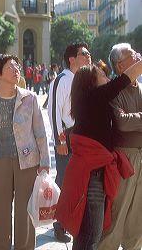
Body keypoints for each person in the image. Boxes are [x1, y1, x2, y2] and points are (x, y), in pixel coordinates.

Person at [55, 58, 142, 250]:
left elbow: (86, 127)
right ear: (91, 82)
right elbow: (124, 79)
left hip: (92, 171)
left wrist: (68, 134)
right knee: (91, 235)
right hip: (92, 175)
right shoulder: (95, 96)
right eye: (102, 75)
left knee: (87, 233)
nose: (107, 77)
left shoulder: (89, 100)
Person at [0, 54, 50, 250]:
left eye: (17, 66)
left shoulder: (29, 98)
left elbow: (40, 132)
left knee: (25, 212)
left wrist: (45, 161)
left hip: (28, 162)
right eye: (11, 67)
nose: (17, 70)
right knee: (0, 212)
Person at [98, 44, 142, 250]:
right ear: (121, 64)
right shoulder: (114, 89)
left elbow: (129, 120)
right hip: (124, 158)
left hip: (140, 156)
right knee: (118, 212)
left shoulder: (139, 87)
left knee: (137, 218)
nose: (139, 57)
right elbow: (122, 123)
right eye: (134, 55)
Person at [47, 43, 91, 243]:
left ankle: (72, 221)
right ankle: (59, 224)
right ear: (72, 58)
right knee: (64, 180)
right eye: (84, 53)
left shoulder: (82, 79)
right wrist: (60, 140)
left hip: (82, 136)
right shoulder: (62, 80)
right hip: (68, 135)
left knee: (78, 181)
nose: (89, 56)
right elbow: (54, 111)